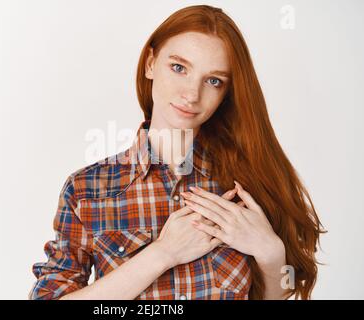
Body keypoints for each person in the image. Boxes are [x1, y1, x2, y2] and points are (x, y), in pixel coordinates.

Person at [29, 5, 325, 300]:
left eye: (213, 81)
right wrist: (163, 253)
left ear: (226, 93)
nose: (192, 95)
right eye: (179, 68)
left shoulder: (246, 183)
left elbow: (279, 293)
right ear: (150, 64)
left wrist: (270, 253)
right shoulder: (86, 190)